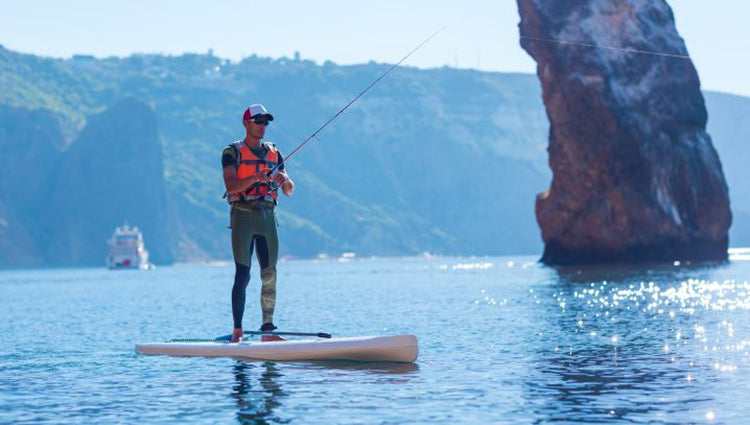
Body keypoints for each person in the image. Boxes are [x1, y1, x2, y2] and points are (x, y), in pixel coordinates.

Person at [222, 104, 294, 343]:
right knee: (243, 274)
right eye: (258, 121)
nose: (263, 126)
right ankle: (237, 330)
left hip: (267, 217)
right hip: (242, 216)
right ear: (246, 123)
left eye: (266, 122)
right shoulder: (232, 152)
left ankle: (268, 330)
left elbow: (289, 192)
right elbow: (231, 187)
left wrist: (284, 179)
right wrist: (255, 177)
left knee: (270, 273)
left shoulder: (275, 153)